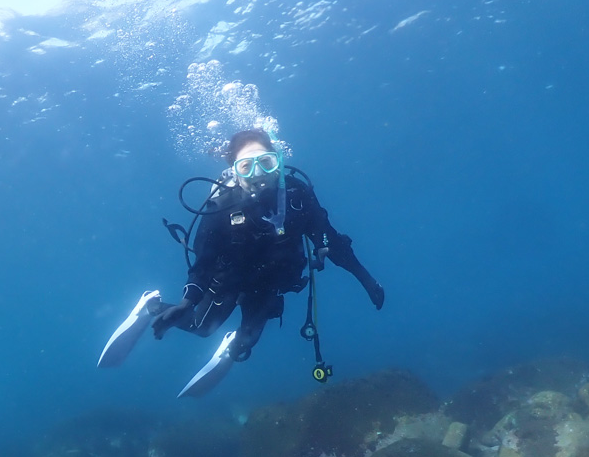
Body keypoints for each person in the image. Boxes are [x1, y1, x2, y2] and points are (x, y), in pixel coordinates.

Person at [98, 127, 384, 396]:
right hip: (230, 278)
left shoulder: (298, 196)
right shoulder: (222, 206)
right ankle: (151, 306)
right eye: (246, 167)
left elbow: (330, 240)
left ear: (278, 162)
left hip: (269, 283)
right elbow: (204, 263)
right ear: (234, 171)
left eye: (266, 163)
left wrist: (366, 279)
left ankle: (232, 347)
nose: (258, 174)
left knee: (245, 343)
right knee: (202, 328)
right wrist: (186, 303)